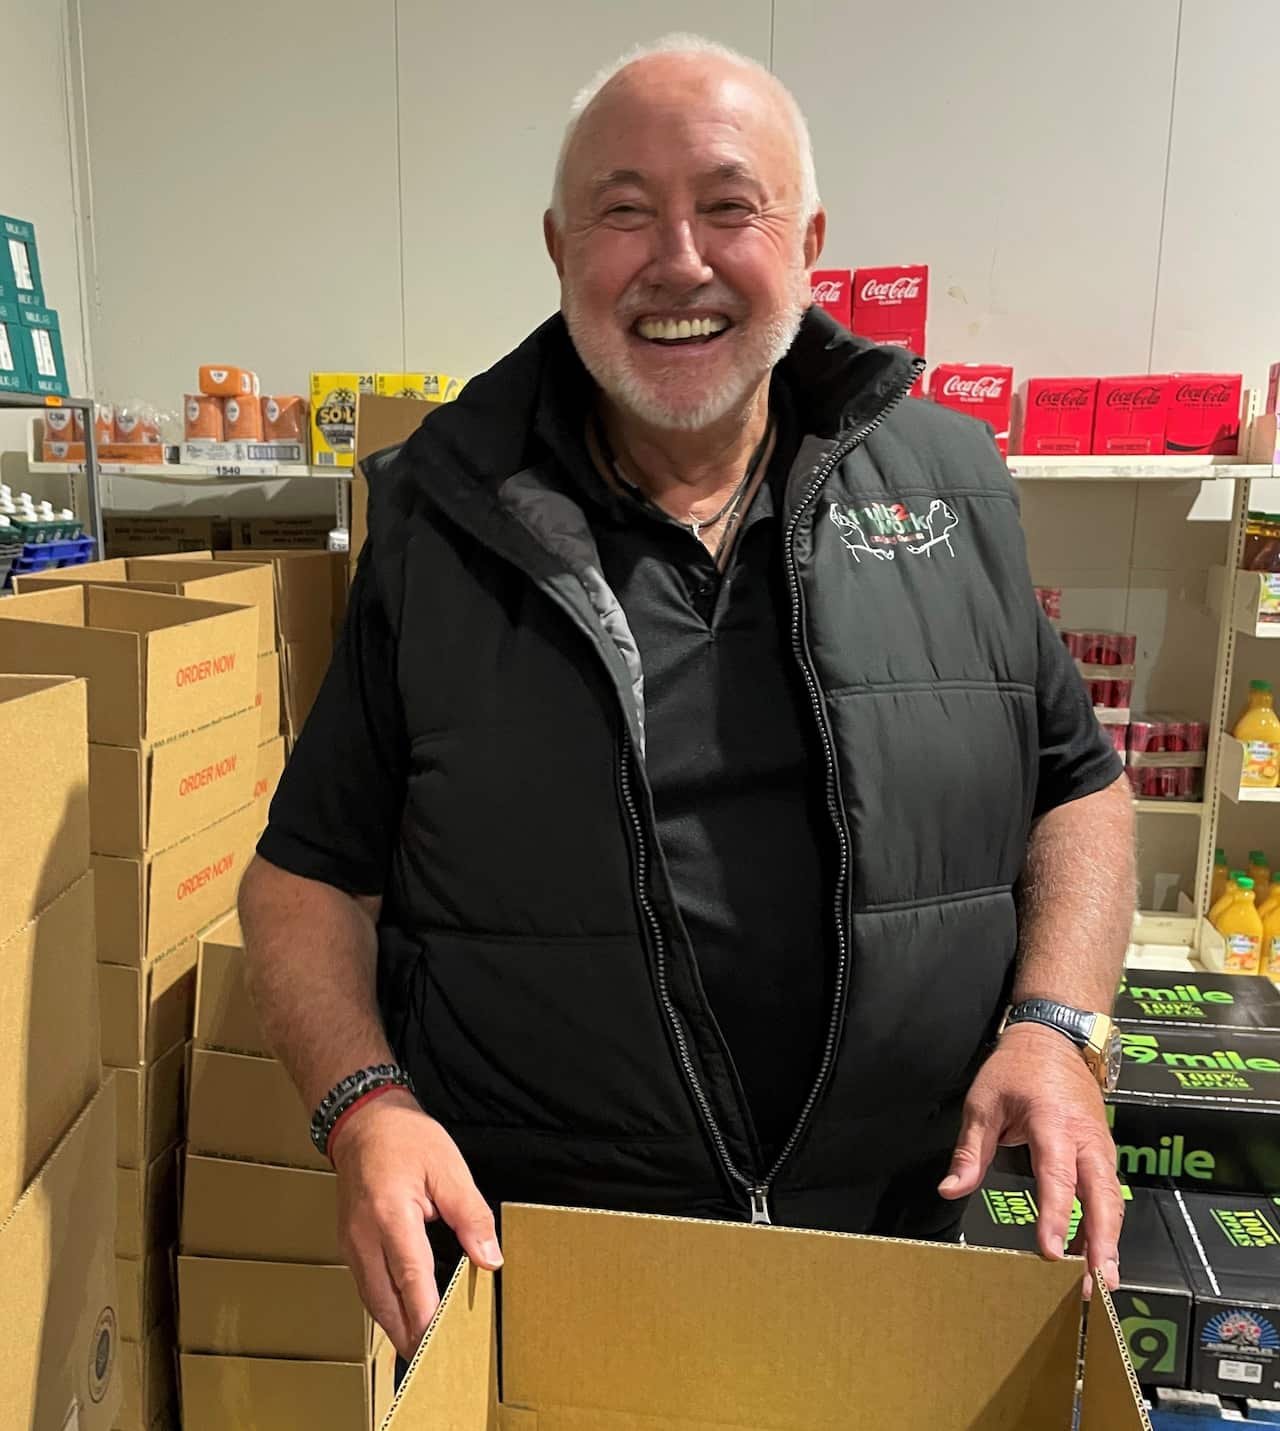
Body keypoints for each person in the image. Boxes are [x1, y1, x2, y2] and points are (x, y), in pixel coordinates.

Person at [239, 32, 1135, 1364]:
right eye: (623, 210)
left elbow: (1080, 786)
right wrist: (364, 1106)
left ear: (809, 239)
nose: (680, 259)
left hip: (892, 1248)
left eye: (729, 206)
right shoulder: (440, 520)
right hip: (548, 1268)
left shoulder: (948, 487)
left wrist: (1056, 1026)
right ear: (557, 248)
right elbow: (304, 876)